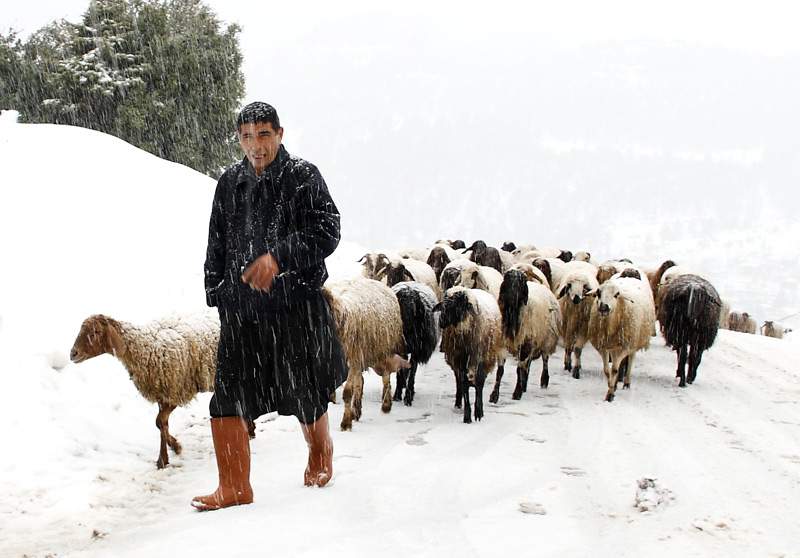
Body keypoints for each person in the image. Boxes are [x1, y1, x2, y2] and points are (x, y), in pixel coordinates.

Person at [192, 102, 348, 511]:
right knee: (227, 396)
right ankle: (234, 486)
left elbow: (326, 230)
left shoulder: (302, 177)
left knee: (305, 392)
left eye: (263, 134)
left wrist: (278, 258)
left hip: (294, 305)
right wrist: (217, 291)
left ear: (280, 133)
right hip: (242, 309)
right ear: (239, 138)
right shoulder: (229, 183)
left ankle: (320, 450)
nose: (255, 145)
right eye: (247, 136)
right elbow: (217, 241)